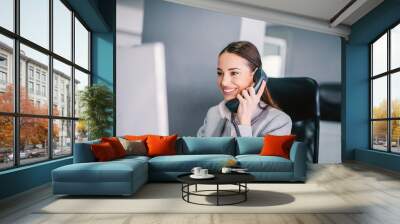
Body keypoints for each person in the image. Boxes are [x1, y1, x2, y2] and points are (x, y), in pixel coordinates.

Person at [197, 41, 292, 137]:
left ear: (256, 76)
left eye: (234, 73)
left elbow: (249, 152)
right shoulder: (214, 113)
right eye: (220, 73)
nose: (224, 82)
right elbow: (197, 150)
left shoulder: (279, 122)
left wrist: (244, 123)